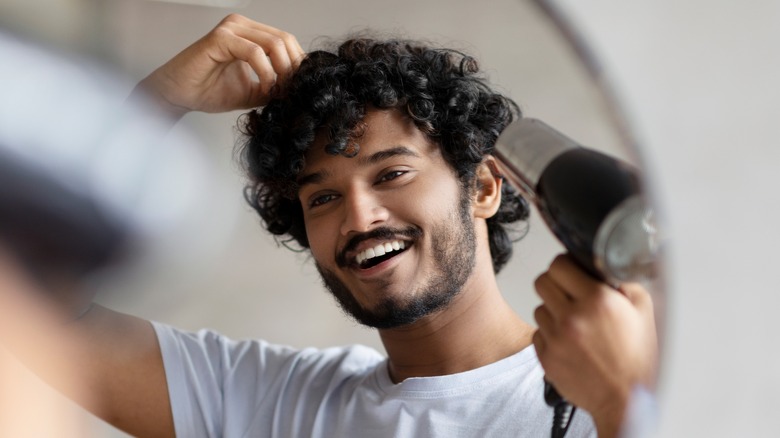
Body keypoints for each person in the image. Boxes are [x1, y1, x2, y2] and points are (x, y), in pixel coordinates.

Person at [0, 14, 658, 438]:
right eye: (321, 199)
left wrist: (625, 405)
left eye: (391, 174)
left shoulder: (618, 380)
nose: (359, 217)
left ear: (485, 186)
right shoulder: (276, 404)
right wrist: (151, 109)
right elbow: (24, 305)